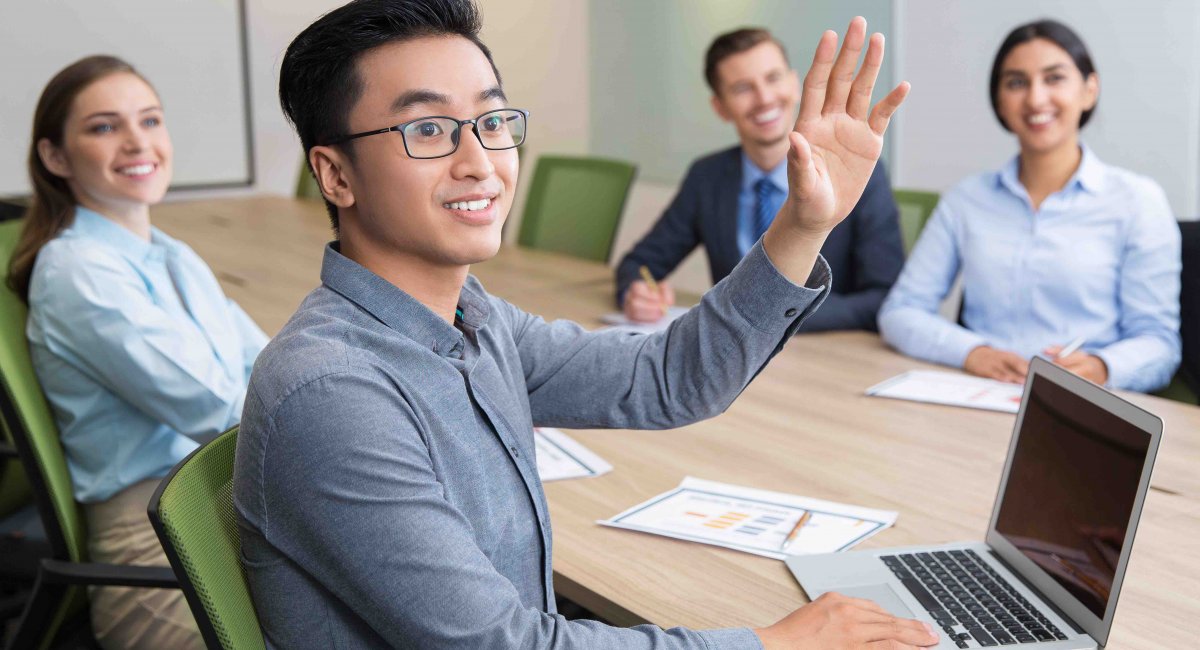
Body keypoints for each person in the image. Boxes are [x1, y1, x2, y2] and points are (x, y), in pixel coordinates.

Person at [234, 1, 937, 648]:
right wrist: (774, 643)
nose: (480, 162)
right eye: (427, 130)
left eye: (491, 121)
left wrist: (802, 223)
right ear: (335, 176)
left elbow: (669, 379)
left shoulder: (474, 320)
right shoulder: (332, 391)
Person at [8, 56, 267, 649]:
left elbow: (268, 366)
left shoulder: (170, 253)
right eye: (104, 127)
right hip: (158, 553)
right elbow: (223, 409)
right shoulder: (78, 273)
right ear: (55, 157)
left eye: (149, 120)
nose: (136, 142)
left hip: (222, 505)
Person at [878, 19, 1181, 392]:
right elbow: (900, 312)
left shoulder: (1137, 201)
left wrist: (1103, 367)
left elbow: (1159, 343)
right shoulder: (966, 200)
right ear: (1000, 103)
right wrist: (974, 352)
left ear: (1089, 90)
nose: (1036, 99)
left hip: (1086, 404)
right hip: (980, 395)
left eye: (1054, 78)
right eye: (1017, 83)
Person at [614, 27, 904, 332]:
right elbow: (639, 264)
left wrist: (772, 316)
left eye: (773, 78)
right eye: (742, 88)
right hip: (731, 362)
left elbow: (883, 298)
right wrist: (635, 292)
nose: (764, 99)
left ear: (794, 83)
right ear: (720, 107)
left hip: (821, 355)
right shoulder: (707, 177)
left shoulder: (856, 174)